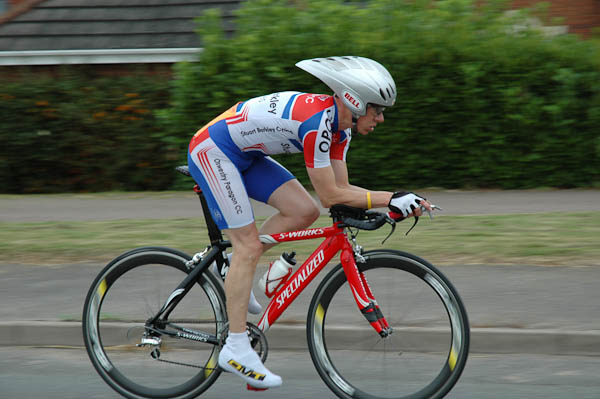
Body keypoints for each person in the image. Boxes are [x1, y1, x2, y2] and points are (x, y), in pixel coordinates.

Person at [187, 56, 432, 389]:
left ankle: (232, 268)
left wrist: (389, 206)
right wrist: (392, 198)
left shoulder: (339, 132)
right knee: (248, 245)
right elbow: (332, 195)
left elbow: (341, 194)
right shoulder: (318, 124)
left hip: (245, 156)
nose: (381, 118)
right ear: (355, 102)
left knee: (304, 211)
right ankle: (236, 346)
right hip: (214, 151)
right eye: (377, 110)